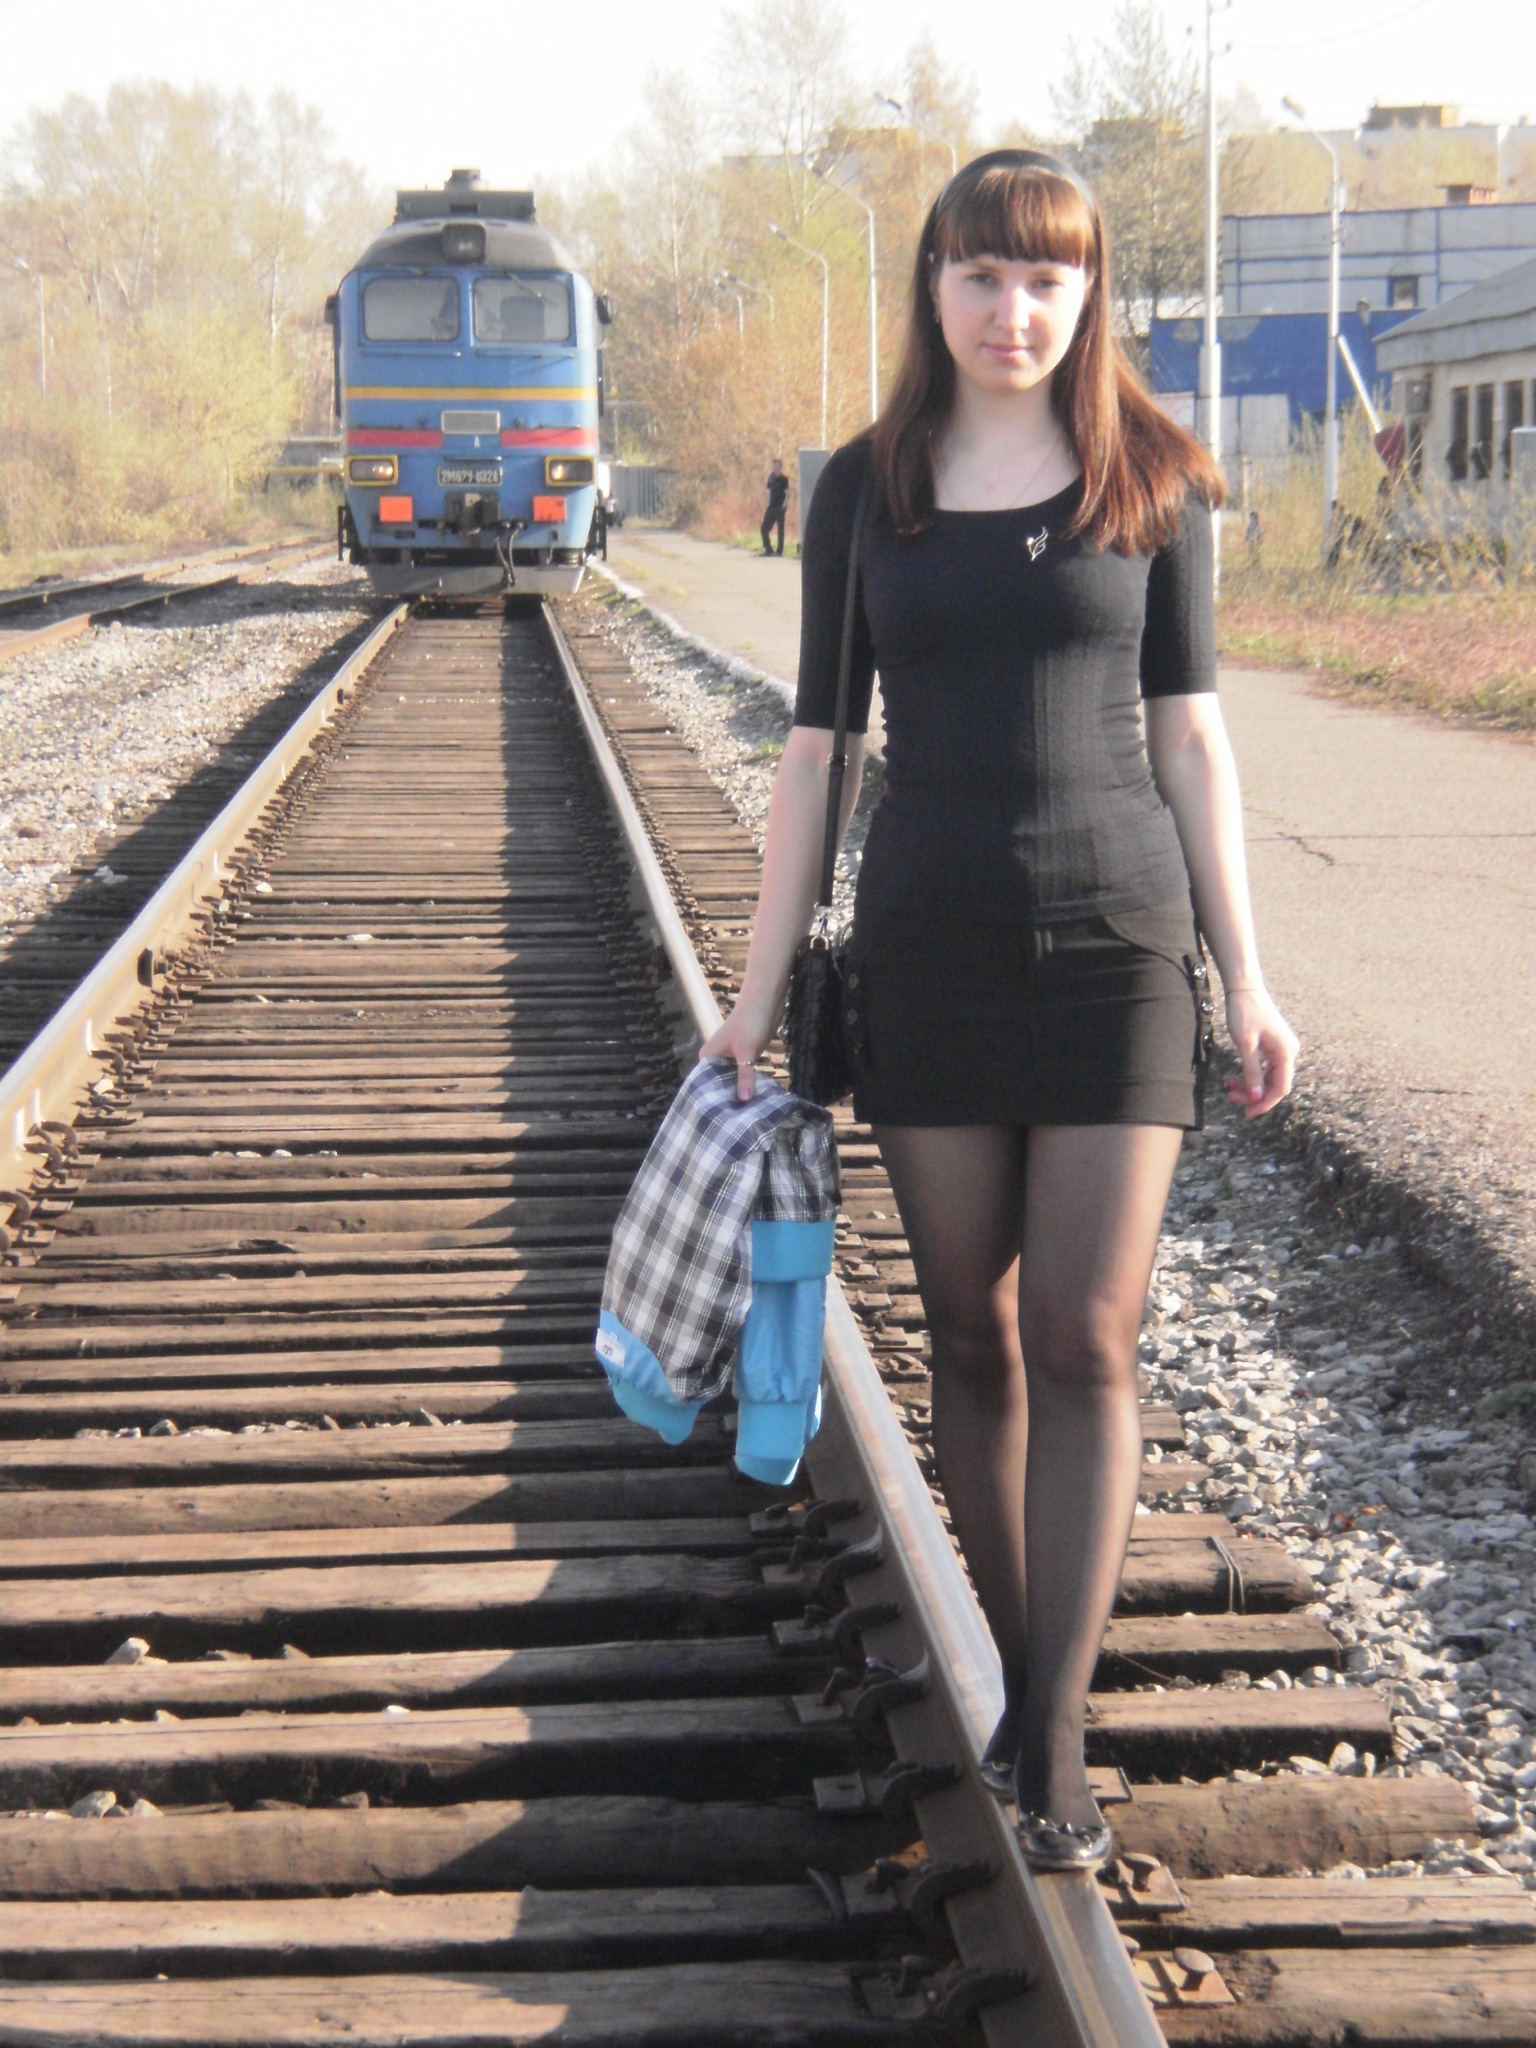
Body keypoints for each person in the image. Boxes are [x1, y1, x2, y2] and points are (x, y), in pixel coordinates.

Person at [702, 150, 1297, 1872]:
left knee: (1086, 1335)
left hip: (1119, 947)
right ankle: (1034, 1690)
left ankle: (1052, 1728)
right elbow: (816, 751)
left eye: (1046, 279)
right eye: (980, 274)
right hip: (930, 948)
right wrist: (753, 997)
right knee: (969, 1330)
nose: (1013, 310)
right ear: (934, 287)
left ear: (1088, 291)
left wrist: (1248, 976)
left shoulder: (1155, 474)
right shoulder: (865, 487)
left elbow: (1191, 736)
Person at [760, 457, 790, 555]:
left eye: (777, 466)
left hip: (780, 507)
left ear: (780, 467)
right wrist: (768, 502)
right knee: (764, 528)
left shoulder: (784, 479)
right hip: (772, 506)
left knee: (780, 530)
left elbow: (788, 493)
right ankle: (768, 550)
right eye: (774, 466)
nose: (776, 468)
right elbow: (768, 491)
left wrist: (783, 506)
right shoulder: (771, 478)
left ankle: (779, 551)